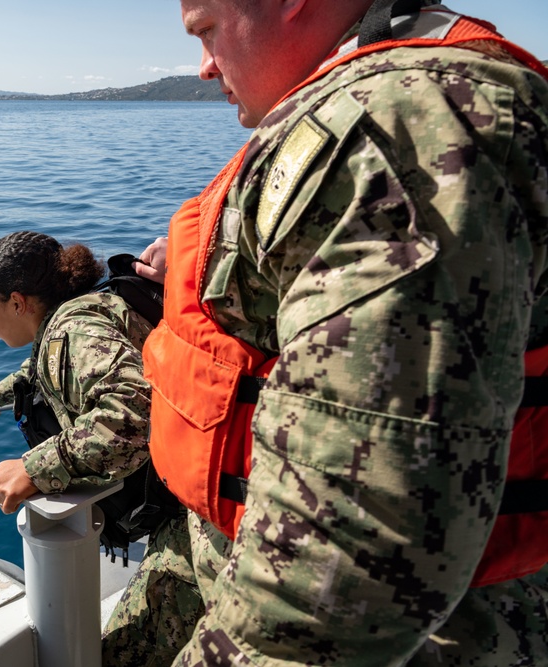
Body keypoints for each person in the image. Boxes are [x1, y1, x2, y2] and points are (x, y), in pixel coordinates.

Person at [136, 0, 548, 665]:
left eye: (208, 30)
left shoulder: (394, 126)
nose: (205, 67)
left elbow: (343, 573)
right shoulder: (408, 102)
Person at [0, 230, 201, 665]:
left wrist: (33, 468)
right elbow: (46, 366)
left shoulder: (72, 329)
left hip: (197, 518)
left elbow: (133, 414)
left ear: (17, 302)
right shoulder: (89, 310)